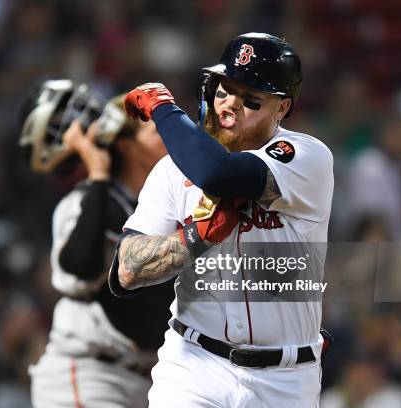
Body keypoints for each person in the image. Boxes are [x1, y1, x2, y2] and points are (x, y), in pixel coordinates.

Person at [110, 32, 334, 407]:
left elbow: (219, 175)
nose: (229, 105)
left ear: (281, 109)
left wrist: (164, 109)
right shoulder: (171, 171)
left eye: (251, 100)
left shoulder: (305, 157)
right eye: (223, 90)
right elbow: (125, 272)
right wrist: (190, 241)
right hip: (193, 367)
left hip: (285, 380)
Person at [21, 80, 174, 407]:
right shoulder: (84, 203)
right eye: (156, 132)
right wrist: (98, 173)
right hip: (89, 375)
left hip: (147, 380)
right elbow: (79, 267)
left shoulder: (164, 207)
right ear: (128, 147)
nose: (170, 137)